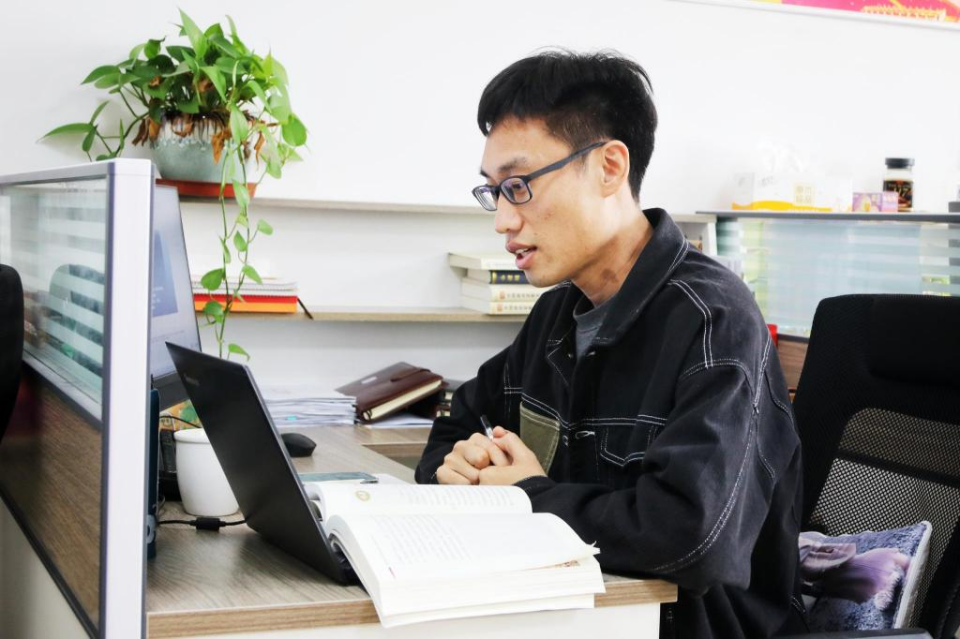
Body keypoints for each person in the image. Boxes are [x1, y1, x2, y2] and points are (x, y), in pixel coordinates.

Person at [415, 50, 807, 638]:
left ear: (609, 167)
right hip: (575, 614)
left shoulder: (714, 321)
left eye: (518, 186)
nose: (502, 221)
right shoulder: (558, 313)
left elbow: (690, 537)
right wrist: (459, 469)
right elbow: (455, 428)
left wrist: (527, 498)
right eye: (493, 192)